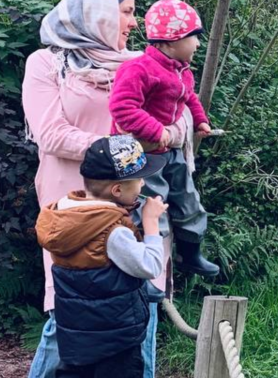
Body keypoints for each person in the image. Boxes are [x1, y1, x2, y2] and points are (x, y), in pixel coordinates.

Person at [23, 0, 184, 378]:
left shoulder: (142, 65)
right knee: (72, 310)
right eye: (127, 12)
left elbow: (177, 113)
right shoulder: (48, 64)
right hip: (76, 207)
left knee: (142, 301)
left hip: (134, 196)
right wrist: (125, 148)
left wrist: (170, 133)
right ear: (96, 13)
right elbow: (51, 133)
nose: (134, 23)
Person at [35, 135, 168, 378]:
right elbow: (150, 266)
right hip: (116, 344)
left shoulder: (66, 213)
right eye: (138, 180)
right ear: (117, 190)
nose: (142, 185)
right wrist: (150, 222)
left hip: (76, 341)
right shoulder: (112, 231)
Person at [109, 0, 219, 277]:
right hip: (134, 150)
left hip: (166, 147)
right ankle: (142, 270)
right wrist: (158, 132)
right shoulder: (138, 69)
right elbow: (122, 109)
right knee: (147, 207)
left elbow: (189, 97)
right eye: (193, 37)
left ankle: (191, 253)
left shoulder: (180, 71)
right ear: (172, 40)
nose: (197, 44)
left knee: (187, 196)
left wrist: (201, 120)